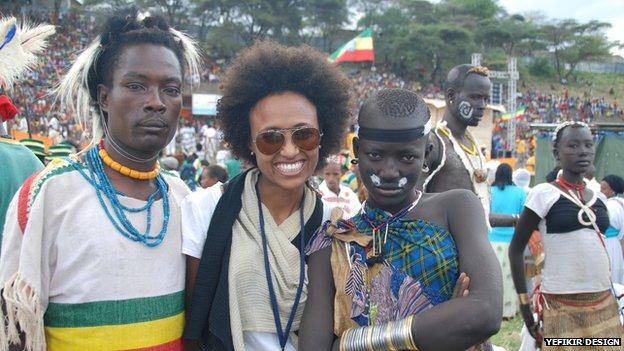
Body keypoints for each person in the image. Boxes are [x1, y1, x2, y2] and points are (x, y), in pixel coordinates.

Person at [0, 8, 201, 350]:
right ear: (104, 98)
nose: (156, 102)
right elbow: (16, 331)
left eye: (170, 89)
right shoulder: (50, 194)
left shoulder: (183, 197)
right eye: (137, 86)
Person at [299, 89, 502, 351]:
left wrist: (350, 343)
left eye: (407, 157)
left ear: (427, 152)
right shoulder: (332, 241)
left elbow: (486, 311)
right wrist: (445, 325)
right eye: (375, 156)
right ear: (357, 150)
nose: (389, 172)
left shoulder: (457, 208)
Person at [182, 41, 352, 350]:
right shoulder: (206, 209)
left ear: (322, 135)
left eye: (304, 134)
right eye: (271, 138)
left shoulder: (332, 224)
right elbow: (194, 319)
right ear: (248, 142)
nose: (289, 150)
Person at [509, 121, 622, 349]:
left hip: (603, 303)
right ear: (556, 153)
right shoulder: (543, 194)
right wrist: (525, 306)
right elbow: (516, 249)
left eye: (588, 145)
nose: (583, 151)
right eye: (573, 145)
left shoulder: (599, 198)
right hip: (560, 306)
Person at [422, 64, 516, 228]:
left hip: (470, 249)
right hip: (440, 250)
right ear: (451, 95)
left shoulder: (473, 146)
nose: (482, 105)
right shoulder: (434, 143)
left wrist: (518, 219)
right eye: (475, 97)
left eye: (485, 99)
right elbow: (412, 205)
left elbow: (478, 218)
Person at [489, 163, 527, 318]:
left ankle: (493, 309)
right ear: (511, 175)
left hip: (491, 239)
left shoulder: (489, 192)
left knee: (494, 276)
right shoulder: (520, 193)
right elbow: (523, 217)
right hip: (513, 241)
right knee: (511, 276)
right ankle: (509, 310)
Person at [601, 174, 624, 284]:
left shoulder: (611, 206)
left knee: (609, 273)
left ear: (613, 191)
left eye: (604, 188)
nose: (601, 191)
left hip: (608, 243)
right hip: (614, 244)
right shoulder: (619, 203)